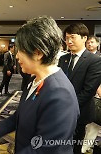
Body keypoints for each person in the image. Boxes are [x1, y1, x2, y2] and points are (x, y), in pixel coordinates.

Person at [0, 16, 80, 154]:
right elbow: (20, 115)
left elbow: (46, 148)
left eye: (20, 50)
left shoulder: (59, 93)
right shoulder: (35, 79)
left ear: (38, 53)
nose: (17, 56)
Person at [58, 23, 101, 154]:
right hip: (60, 110)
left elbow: (88, 91)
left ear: (84, 38)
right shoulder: (63, 59)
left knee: (74, 144)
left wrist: (67, 107)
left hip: (79, 111)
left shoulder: (94, 60)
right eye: (66, 38)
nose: (69, 41)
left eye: (72, 37)